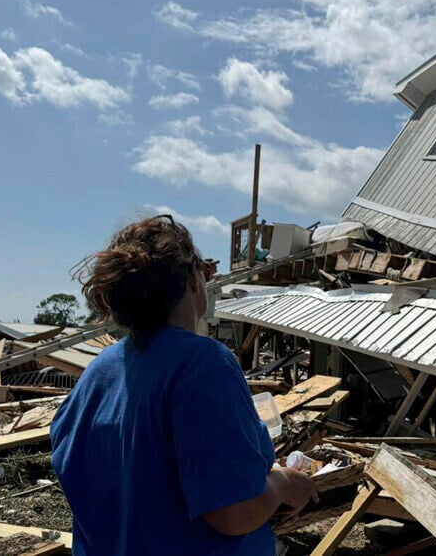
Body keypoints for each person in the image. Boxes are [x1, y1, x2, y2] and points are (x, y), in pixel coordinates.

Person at [50, 215, 318, 555]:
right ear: (192, 279)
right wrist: (281, 484)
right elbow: (232, 513)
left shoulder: (97, 374)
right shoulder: (204, 364)